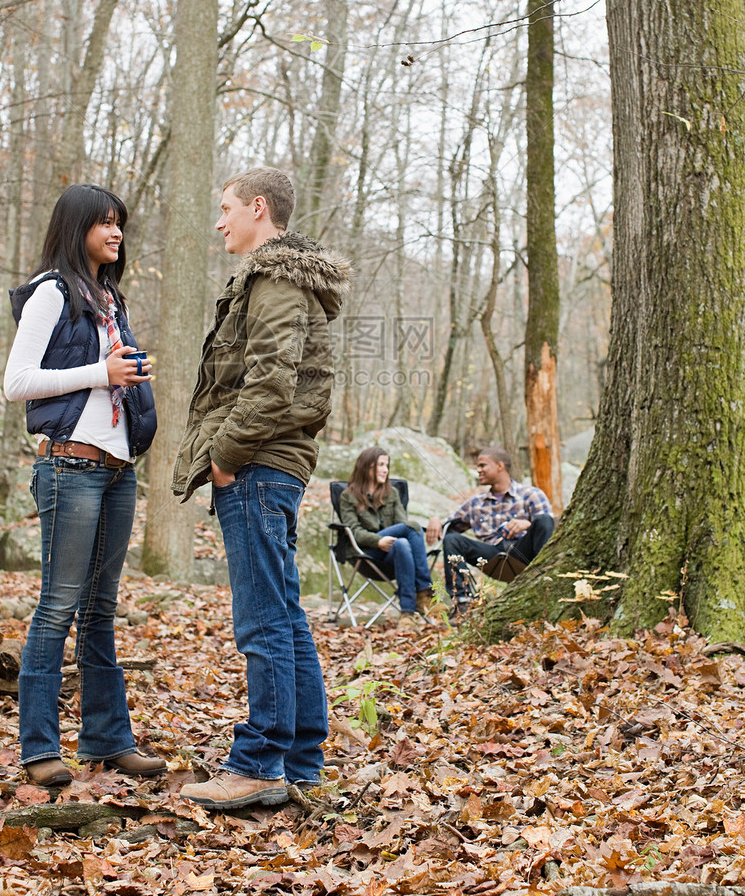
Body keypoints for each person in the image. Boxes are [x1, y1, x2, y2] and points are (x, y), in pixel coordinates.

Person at [173, 167, 350, 811]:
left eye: (225, 209)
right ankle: (302, 759)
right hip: (270, 465)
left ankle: (258, 763)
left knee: (262, 620)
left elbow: (270, 382)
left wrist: (224, 457)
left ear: (257, 208)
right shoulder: (280, 279)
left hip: (256, 466)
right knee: (284, 614)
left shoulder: (273, 280)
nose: (219, 222)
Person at [4, 183, 163, 788]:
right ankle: (39, 747)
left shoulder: (109, 299)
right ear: (77, 229)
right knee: (57, 608)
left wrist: (129, 374)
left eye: (119, 223)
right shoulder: (51, 291)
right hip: (69, 467)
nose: (116, 233)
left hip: (117, 471)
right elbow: (17, 382)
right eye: (104, 223)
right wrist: (103, 371)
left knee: (100, 611)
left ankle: (107, 739)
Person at [436, 447, 554, 605]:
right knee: (452, 539)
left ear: (500, 466)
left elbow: (549, 527)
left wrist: (527, 524)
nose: (478, 470)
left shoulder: (531, 494)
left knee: (544, 519)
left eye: (483, 465)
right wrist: (436, 520)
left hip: (524, 551)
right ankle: (462, 601)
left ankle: (546, 580)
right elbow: (447, 526)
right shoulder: (475, 503)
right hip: (491, 555)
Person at [338, 447, 434, 628]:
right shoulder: (348, 496)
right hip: (366, 552)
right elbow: (355, 532)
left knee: (404, 542)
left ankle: (407, 614)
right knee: (411, 527)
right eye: (380, 465)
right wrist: (378, 541)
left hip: (393, 552)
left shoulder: (392, 494)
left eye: (387, 465)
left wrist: (390, 539)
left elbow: (401, 526)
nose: (385, 470)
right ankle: (423, 592)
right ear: (366, 467)